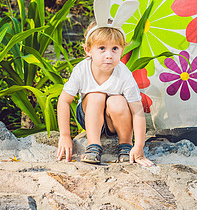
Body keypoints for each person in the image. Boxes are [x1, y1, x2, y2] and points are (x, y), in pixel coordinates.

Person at [56, 21, 153, 167]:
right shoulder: (81, 70)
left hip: (114, 122)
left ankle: (126, 144)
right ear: (88, 50)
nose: (109, 55)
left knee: (118, 101)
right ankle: (94, 145)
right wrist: (64, 135)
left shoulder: (124, 74)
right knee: (96, 95)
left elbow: (137, 110)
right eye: (102, 48)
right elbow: (64, 101)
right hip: (89, 115)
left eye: (115, 48)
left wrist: (139, 146)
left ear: (122, 50)